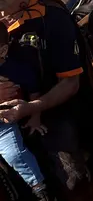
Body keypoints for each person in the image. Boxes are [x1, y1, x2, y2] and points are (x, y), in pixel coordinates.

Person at [0, 0, 93, 201]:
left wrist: (31, 107)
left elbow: (70, 83)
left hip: (51, 106)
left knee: (72, 180)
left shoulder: (52, 18)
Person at [0, 23, 50, 199]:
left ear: (3, 50)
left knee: (15, 154)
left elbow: (34, 94)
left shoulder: (18, 70)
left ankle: (38, 187)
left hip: (4, 125)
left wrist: (35, 116)